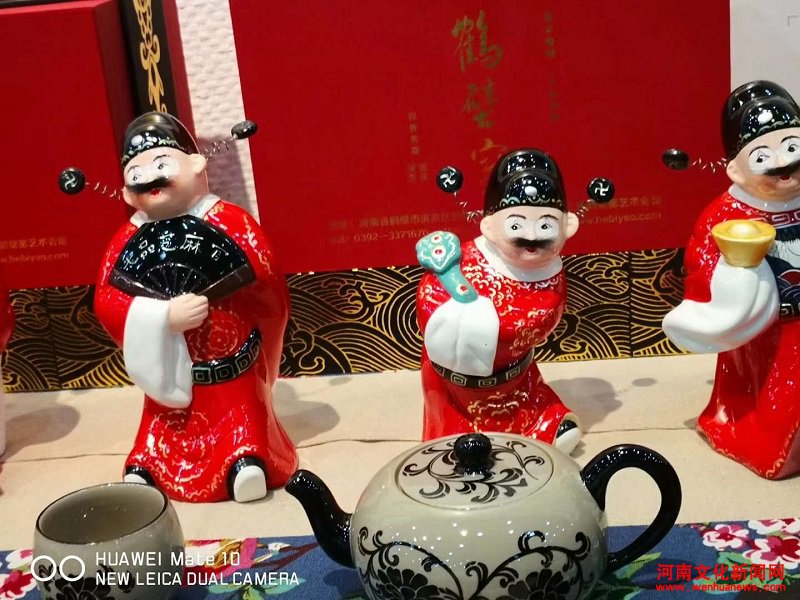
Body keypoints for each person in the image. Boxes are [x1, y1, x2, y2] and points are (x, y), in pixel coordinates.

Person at [94, 112, 297, 502]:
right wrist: (161, 317)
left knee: (242, 422)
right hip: (171, 367)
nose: (150, 178)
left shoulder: (231, 222)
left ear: (197, 164)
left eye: (161, 164)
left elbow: (269, 289)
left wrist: (267, 355)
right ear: (126, 192)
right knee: (160, 429)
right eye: (136, 172)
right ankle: (149, 467)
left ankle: (245, 461)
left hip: (232, 368)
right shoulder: (127, 238)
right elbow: (106, 299)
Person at [663, 80, 800, 479]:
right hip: (769, 336)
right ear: (736, 171)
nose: (782, 163)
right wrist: (740, 275)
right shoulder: (724, 216)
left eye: (792, 147)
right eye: (763, 156)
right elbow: (701, 270)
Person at [416, 149, 582, 453]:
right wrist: (458, 310)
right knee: (456, 445)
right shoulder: (460, 261)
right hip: (453, 388)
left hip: (517, 382)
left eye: (545, 226)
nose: (531, 237)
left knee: (547, 425)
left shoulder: (551, 278)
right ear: (490, 227)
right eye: (516, 226)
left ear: (568, 226)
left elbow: (536, 324)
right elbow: (429, 299)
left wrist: (482, 317)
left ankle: (542, 428)